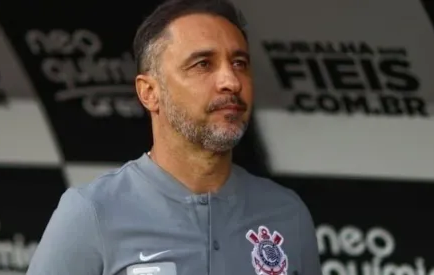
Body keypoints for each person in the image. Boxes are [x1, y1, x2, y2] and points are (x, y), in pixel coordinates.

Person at [26, 0, 323, 274]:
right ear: (149, 93)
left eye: (239, 63)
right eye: (203, 64)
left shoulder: (287, 211)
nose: (231, 81)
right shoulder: (90, 212)